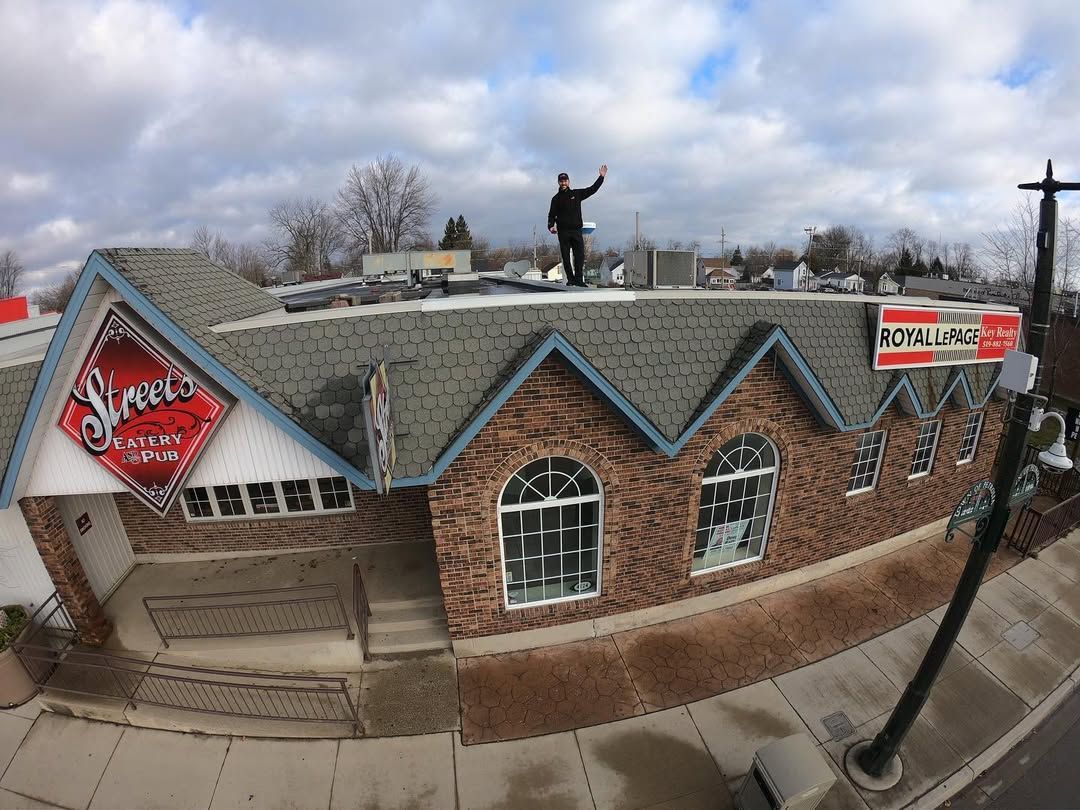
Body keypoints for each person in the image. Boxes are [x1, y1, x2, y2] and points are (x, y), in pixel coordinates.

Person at [548, 165, 607, 287]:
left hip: (576, 231)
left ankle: (579, 280)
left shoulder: (577, 194)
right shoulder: (555, 199)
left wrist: (601, 177)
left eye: (565, 180)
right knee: (565, 257)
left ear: (569, 182)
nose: (563, 183)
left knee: (579, 256)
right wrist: (551, 226)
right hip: (563, 232)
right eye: (561, 181)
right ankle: (571, 279)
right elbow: (551, 215)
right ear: (559, 182)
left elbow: (592, 189)